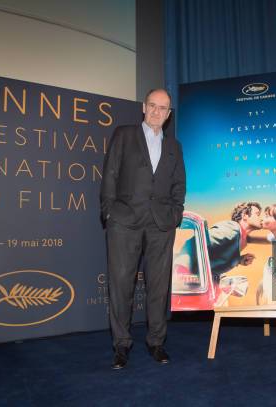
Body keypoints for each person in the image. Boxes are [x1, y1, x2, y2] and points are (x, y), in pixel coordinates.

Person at [100, 88, 186, 369]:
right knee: (121, 285)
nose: (157, 111)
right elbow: (110, 173)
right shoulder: (124, 134)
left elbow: (178, 185)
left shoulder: (175, 146)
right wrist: (109, 212)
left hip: (161, 224)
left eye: (163, 108)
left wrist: (175, 214)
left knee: (159, 287)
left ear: (169, 113)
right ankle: (121, 345)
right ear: (143, 107)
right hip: (124, 222)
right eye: (152, 105)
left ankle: (156, 342)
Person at [207, 202, 262, 282]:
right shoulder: (232, 229)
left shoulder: (239, 236)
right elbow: (201, 243)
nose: (261, 218)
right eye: (257, 214)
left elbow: (214, 257)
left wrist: (238, 259)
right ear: (245, 215)